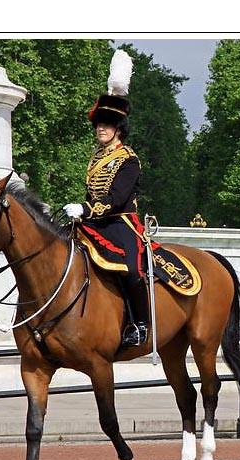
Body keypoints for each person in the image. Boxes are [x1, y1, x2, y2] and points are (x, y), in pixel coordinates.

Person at [63, 50, 150, 346]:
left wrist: (85, 210)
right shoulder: (96, 158)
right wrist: (79, 211)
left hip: (121, 222)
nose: (101, 128)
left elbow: (115, 199)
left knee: (132, 270)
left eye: (107, 124)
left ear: (118, 129)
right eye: (99, 124)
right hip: (95, 221)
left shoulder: (129, 159)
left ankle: (140, 324)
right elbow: (92, 193)